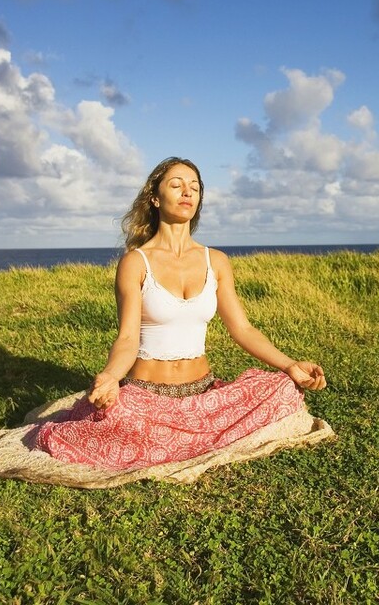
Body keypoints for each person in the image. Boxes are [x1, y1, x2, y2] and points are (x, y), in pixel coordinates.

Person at [34, 156, 327, 471]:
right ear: (156, 198)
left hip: (202, 395)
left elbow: (243, 329)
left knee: (283, 388)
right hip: (145, 395)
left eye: (195, 188)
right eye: (176, 185)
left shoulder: (216, 261)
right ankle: (191, 438)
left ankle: (187, 436)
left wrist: (290, 365)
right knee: (91, 426)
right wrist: (110, 377)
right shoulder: (136, 262)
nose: (187, 192)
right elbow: (128, 337)